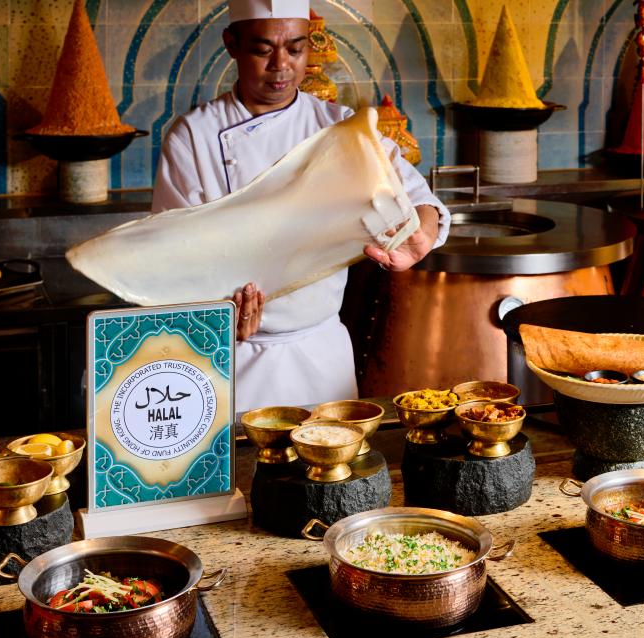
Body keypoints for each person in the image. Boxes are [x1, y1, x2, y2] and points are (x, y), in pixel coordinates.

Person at [152, 0, 450, 411]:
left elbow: (420, 199)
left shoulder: (338, 126)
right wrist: (217, 312)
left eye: (295, 49)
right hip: (231, 358)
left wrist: (422, 230)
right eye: (262, 49)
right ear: (232, 44)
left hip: (321, 353)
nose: (282, 66)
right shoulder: (194, 136)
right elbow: (172, 259)